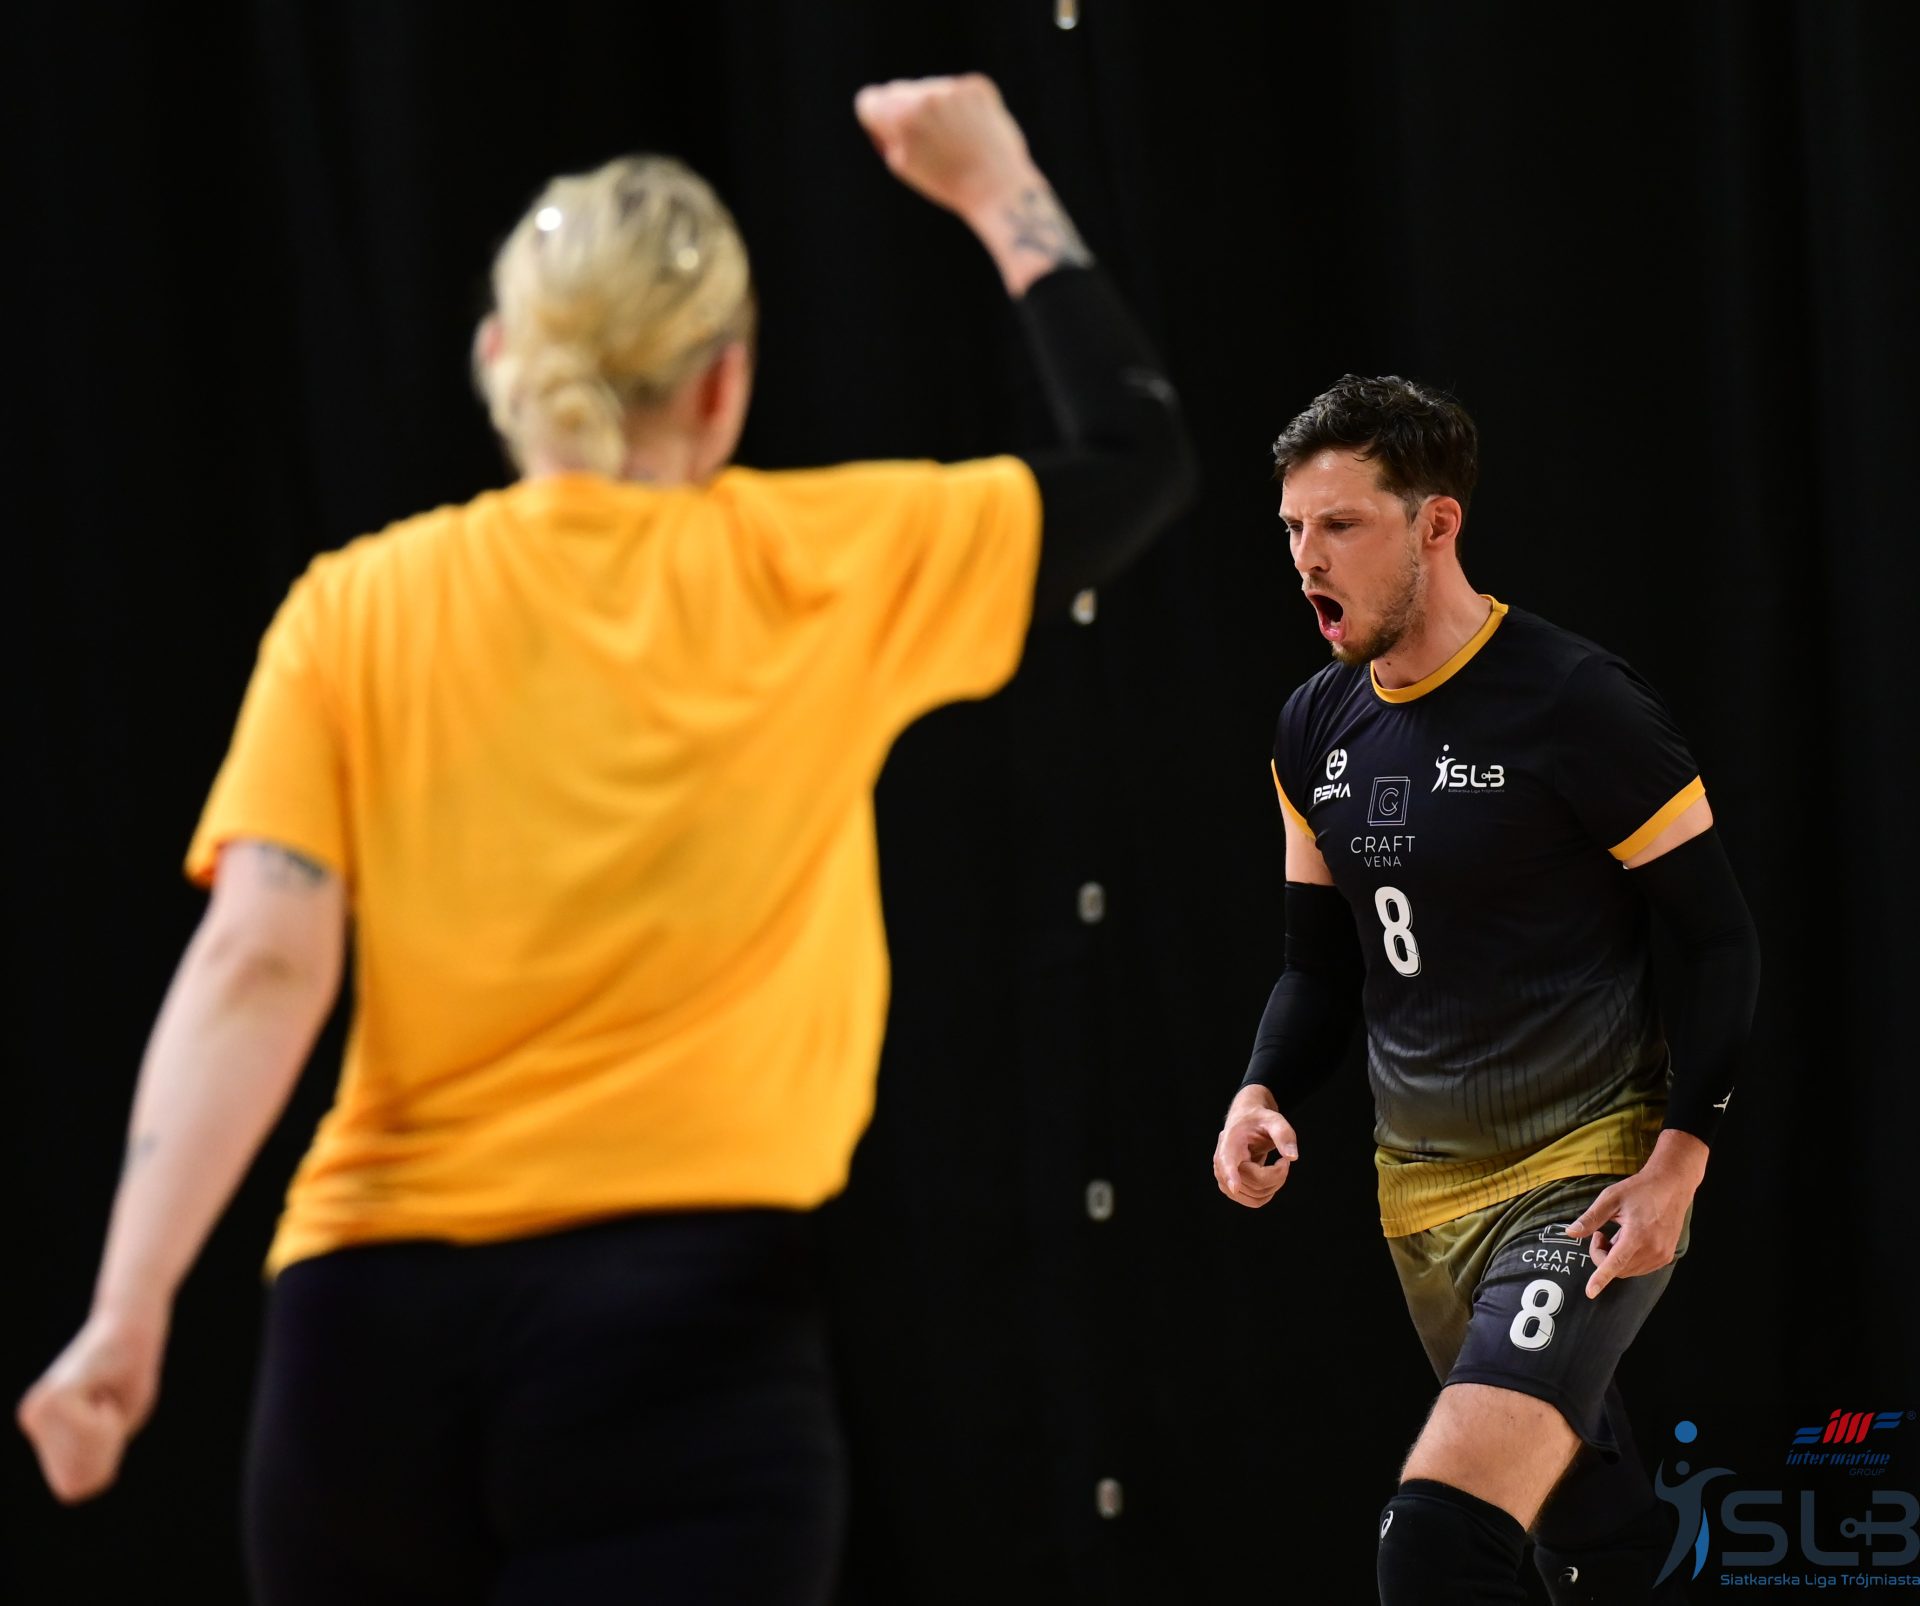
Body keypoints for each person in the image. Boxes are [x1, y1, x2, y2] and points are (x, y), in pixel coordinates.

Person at [18, 75, 1193, 1605]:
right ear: (724, 386)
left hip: (362, 1343)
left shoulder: (351, 609)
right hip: (677, 1339)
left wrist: (127, 1308)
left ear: (499, 359)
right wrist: (995, 183)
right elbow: (1136, 455)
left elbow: (256, 962)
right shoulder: (819, 562)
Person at [1210, 375, 1760, 1605]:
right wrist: (1260, 1091)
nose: (1306, 558)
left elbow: (1720, 940)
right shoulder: (1312, 726)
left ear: (1437, 525)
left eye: (1340, 524)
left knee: (1434, 1542)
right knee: (1592, 1529)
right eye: (1292, 528)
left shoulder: (1572, 699)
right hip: (1421, 1199)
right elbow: (1320, 963)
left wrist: (1679, 1161)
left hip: (1582, 1179)